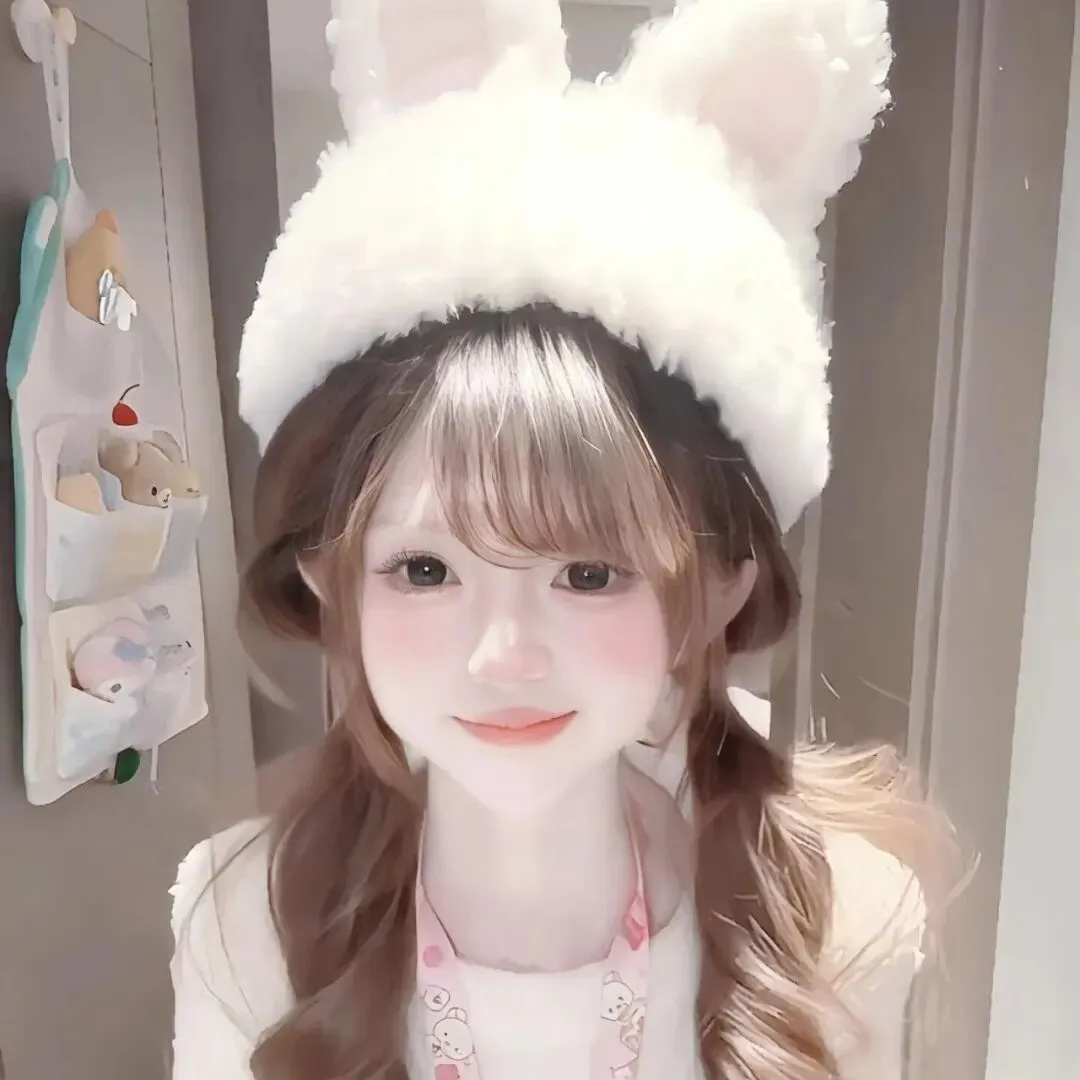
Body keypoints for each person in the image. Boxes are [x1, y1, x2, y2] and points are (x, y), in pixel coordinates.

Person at [170, 2, 958, 1078]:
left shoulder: (844, 922)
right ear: (328, 581)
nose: (504, 656)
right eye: (425, 569)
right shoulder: (243, 922)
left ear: (719, 589)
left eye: (588, 573)